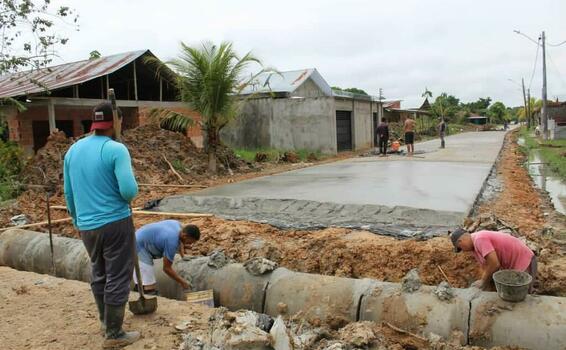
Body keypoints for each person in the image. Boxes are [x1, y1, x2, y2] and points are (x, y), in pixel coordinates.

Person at [64, 102, 140, 348]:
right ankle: (115, 334)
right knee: (118, 275)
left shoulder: (73, 151)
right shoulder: (116, 149)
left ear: (95, 123)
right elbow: (129, 191)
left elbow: (69, 193)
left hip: (87, 226)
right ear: (115, 122)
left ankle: (105, 322)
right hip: (116, 223)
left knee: (99, 273)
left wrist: (78, 220)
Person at [450, 228, 537, 292]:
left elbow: (494, 264)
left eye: (460, 248)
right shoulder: (474, 248)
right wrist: (484, 284)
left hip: (525, 260)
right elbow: (486, 267)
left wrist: (483, 282)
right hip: (514, 266)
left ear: (460, 242)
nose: (463, 251)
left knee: (521, 295)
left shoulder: (479, 239)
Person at [134, 220, 200, 294]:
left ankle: (138, 292)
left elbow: (181, 240)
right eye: (190, 242)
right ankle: (147, 294)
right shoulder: (171, 242)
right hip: (138, 245)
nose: (191, 244)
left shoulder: (177, 225)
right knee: (149, 285)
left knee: (142, 279)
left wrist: (183, 256)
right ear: (185, 236)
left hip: (139, 235)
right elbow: (166, 268)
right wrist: (183, 282)